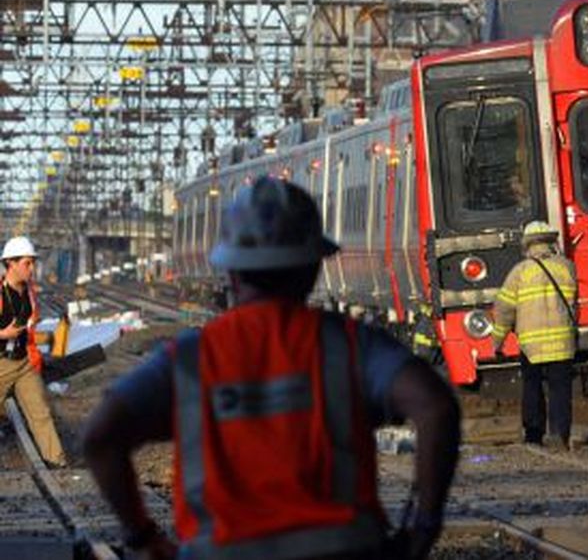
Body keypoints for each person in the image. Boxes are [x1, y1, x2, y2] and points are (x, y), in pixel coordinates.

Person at [83, 177, 461, 560]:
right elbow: (436, 406)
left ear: (230, 272)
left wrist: (143, 536)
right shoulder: (349, 345)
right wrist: (423, 525)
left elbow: (99, 436)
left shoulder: (188, 359)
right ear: (313, 267)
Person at [492, 220, 577, 450]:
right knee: (560, 390)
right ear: (552, 242)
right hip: (562, 342)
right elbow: (573, 304)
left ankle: (533, 435)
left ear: (527, 245)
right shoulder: (567, 267)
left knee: (532, 387)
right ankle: (560, 434)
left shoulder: (519, 272)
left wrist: (497, 342)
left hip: (531, 345)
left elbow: (504, 309)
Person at [0, 236, 66, 467]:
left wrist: (33, 359)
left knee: (41, 413)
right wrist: (2, 335)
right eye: (27, 263)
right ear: (11, 263)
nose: (32, 268)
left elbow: (29, 330)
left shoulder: (29, 293)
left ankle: (57, 463)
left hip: (23, 363)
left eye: (32, 263)